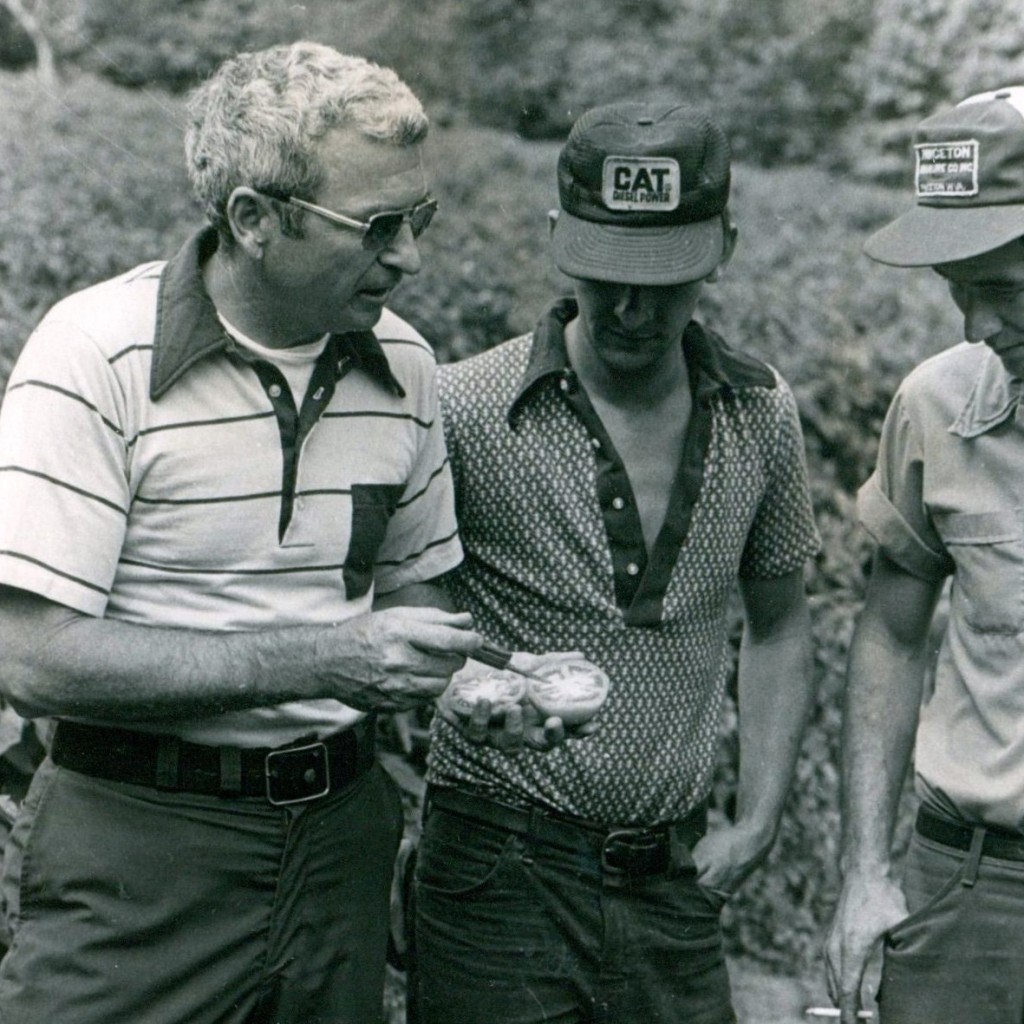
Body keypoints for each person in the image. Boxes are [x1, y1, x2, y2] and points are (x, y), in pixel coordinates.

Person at [0, 41, 485, 1024]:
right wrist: (324, 660)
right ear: (254, 219)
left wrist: (470, 687)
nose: (408, 254)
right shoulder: (95, 353)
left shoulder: (407, 363)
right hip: (140, 845)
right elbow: (34, 658)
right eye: (376, 224)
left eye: (419, 217)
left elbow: (412, 598)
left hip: (340, 841)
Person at [412, 101, 820, 1024]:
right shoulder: (467, 406)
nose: (633, 310)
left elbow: (781, 619)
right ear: (559, 240)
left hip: (672, 880)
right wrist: (469, 695)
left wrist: (754, 824)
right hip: (497, 872)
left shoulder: (761, 411)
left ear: (722, 247)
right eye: (606, 277)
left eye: (665, 281)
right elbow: (413, 609)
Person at [825, 86, 1024, 1024]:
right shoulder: (937, 405)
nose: (978, 327)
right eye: (958, 290)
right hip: (974, 895)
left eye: (1008, 288)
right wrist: (866, 874)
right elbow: (892, 635)